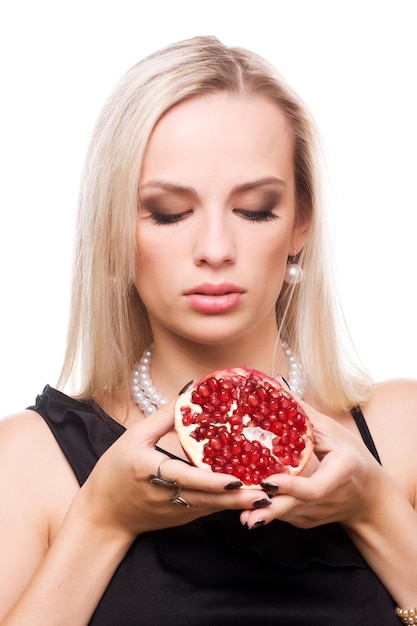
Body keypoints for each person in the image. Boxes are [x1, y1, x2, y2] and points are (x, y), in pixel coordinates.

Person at [0, 35, 416, 626]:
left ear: (301, 223)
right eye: (169, 213)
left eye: (254, 210)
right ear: (115, 230)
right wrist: (101, 521)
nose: (216, 250)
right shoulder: (28, 463)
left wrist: (376, 509)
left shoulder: (403, 435)